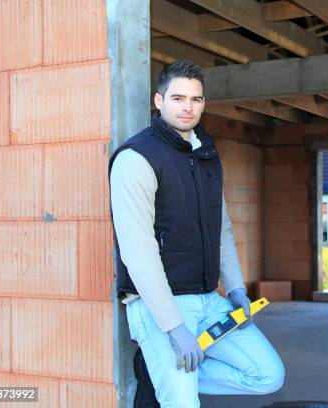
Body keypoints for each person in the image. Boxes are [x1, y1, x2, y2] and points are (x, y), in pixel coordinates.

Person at [109, 60, 285, 407]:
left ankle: (161, 372)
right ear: (159, 102)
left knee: (267, 375)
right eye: (177, 98)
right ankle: (168, 375)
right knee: (183, 403)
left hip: (208, 299)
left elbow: (221, 227)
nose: (187, 107)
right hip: (159, 305)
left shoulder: (205, 152)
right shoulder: (136, 158)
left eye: (196, 99)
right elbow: (138, 251)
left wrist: (235, 288)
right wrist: (174, 327)